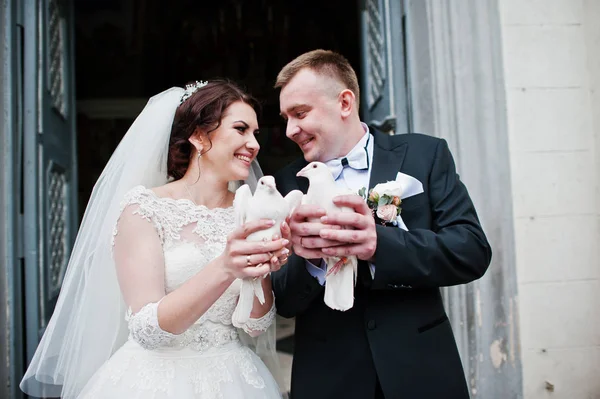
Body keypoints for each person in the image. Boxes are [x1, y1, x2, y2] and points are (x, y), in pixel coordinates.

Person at [20, 80, 288, 398]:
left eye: (255, 133)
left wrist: (261, 275)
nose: (254, 144)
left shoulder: (250, 211)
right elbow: (148, 329)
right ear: (199, 136)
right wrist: (226, 267)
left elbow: (256, 325)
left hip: (233, 376)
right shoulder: (144, 209)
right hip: (156, 381)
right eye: (241, 129)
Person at [271, 50, 492, 398]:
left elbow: (471, 251)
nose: (289, 130)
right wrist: (310, 261)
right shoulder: (286, 184)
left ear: (345, 102)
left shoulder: (425, 155)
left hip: (420, 370)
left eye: (300, 113)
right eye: (286, 118)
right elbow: (281, 300)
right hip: (328, 378)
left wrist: (379, 246)